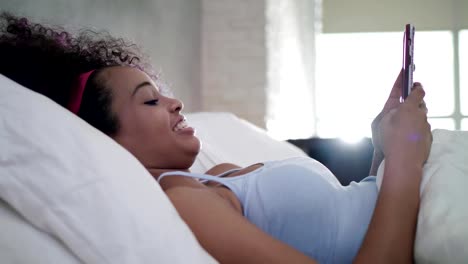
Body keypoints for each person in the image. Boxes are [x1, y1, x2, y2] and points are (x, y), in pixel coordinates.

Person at [0, 12, 432, 264]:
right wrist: (406, 161)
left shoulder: (217, 179)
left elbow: (348, 217)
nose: (175, 104)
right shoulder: (184, 204)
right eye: (150, 102)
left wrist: (382, 147)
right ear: (112, 143)